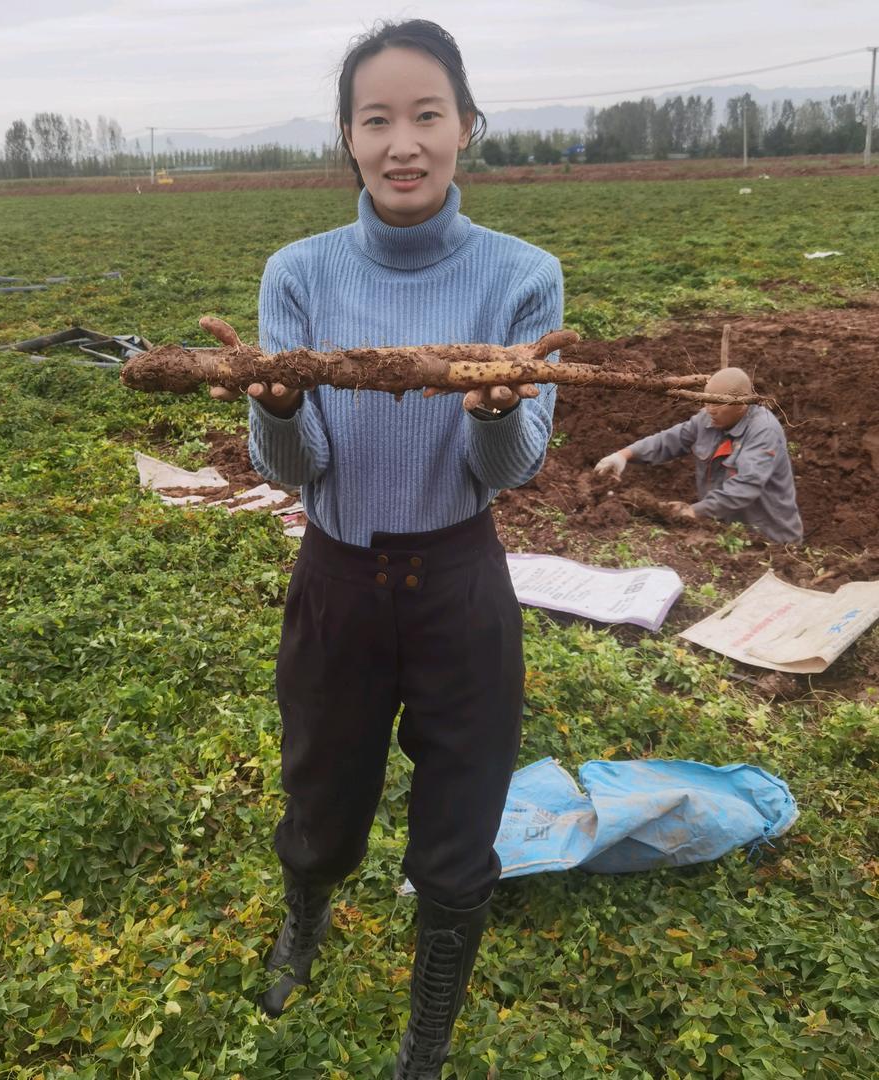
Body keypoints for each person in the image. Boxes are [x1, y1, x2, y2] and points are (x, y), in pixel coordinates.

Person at [209, 20, 563, 1078]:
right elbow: (295, 466)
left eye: (426, 115)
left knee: (461, 816)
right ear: (349, 139)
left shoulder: (523, 275)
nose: (403, 143)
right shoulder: (299, 274)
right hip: (339, 580)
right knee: (321, 790)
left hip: (460, 583)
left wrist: (497, 410)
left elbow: (514, 467)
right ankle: (305, 919)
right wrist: (277, 405)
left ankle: (429, 1030)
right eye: (377, 120)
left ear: (467, 127)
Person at [594, 366, 803, 543]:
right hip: (725, 535)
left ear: (741, 405)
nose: (709, 409)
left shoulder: (764, 430)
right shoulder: (707, 418)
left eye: (717, 404)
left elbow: (745, 486)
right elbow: (670, 440)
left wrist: (694, 511)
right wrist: (623, 455)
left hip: (769, 540)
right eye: (706, 401)